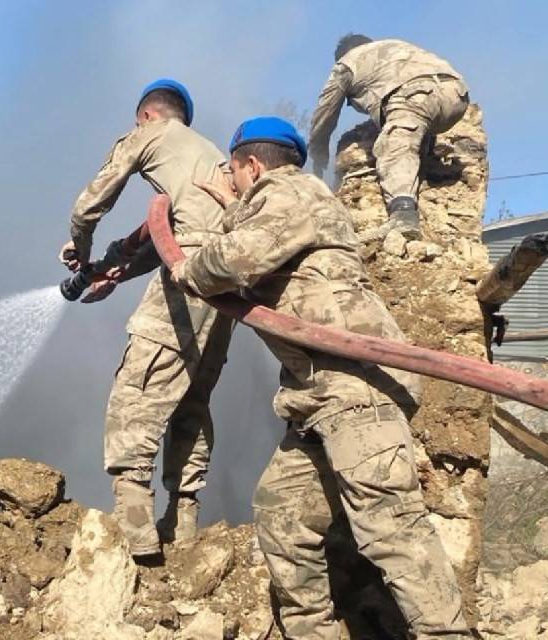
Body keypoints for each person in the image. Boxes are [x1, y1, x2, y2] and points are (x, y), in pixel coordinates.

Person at [172, 116, 469, 638]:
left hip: (356, 388)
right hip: (318, 400)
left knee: (391, 531)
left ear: (252, 165)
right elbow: (252, 242)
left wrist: (185, 267)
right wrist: (232, 208)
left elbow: (231, 260)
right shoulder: (276, 206)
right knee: (282, 512)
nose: (231, 184)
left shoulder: (291, 192)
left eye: (234, 174)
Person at [60, 78, 235, 556]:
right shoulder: (210, 155)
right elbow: (168, 233)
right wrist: (111, 269)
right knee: (189, 400)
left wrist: (81, 248)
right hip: (230, 284)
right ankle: (183, 527)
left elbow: (89, 205)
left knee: (136, 391)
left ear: (146, 116)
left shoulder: (151, 134)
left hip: (193, 269)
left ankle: (136, 538)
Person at [308, 34, 470, 237]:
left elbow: (325, 112)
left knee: (393, 147)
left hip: (416, 94)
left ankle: (403, 214)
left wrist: (318, 152)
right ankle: (422, 174)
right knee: (417, 132)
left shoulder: (347, 63)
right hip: (457, 95)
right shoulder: (396, 46)